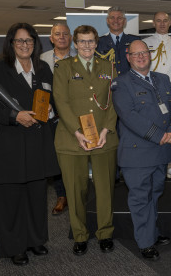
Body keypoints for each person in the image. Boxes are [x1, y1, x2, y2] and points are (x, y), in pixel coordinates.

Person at [0, 23, 59, 265]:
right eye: (20, 41)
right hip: (7, 145)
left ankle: (36, 240)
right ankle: (15, 246)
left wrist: (52, 112)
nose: (25, 45)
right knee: (9, 200)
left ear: (35, 43)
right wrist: (14, 116)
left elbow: (50, 97)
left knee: (35, 196)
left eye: (29, 41)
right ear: (11, 43)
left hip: (36, 143)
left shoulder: (43, 68)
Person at [112, 40, 171, 261]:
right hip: (137, 153)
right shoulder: (121, 83)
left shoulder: (163, 79)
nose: (141, 56)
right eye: (136, 54)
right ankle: (145, 242)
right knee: (141, 198)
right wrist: (159, 135)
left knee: (154, 194)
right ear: (128, 57)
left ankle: (150, 231)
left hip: (161, 151)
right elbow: (129, 116)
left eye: (144, 53)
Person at [53, 25, 119, 256]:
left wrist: (106, 129)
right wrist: (77, 132)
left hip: (103, 139)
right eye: (82, 41)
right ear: (75, 43)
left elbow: (114, 101)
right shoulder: (63, 67)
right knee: (75, 191)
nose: (87, 46)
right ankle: (80, 235)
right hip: (72, 140)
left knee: (104, 190)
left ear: (97, 42)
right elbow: (61, 101)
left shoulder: (108, 67)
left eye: (91, 41)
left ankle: (105, 233)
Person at [144, 12, 171, 182]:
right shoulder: (146, 43)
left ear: (170, 23)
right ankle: (153, 165)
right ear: (154, 22)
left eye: (165, 21)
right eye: (159, 21)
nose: (162, 24)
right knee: (152, 130)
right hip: (151, 95)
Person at [40, 22, 76, 215]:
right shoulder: (41, 60)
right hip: (52, 118)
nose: (62, 37)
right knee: (56, 157)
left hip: (77, 116)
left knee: (78, 154)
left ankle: (78, 193)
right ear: (51, 38)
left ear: (70, 38)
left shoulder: (80, 58)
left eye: (65, 34)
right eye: (57, 34)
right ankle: (62, 195)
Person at [96, 6, 140, 76]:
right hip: (108, 84)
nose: (115, 21)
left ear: (125, 21)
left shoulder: (135, 41)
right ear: (107, 20)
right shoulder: (99, 42)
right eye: (112, 18)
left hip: (130, 84)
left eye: (119, 18)